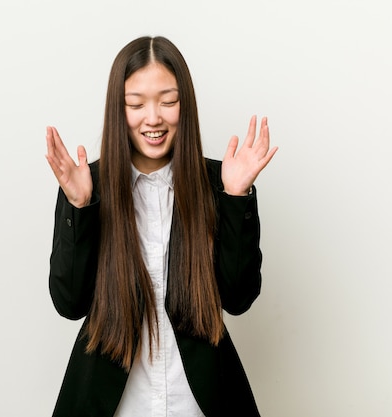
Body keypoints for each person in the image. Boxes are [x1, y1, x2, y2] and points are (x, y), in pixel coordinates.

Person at [45, 36, 277, 417]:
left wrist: (236, 197)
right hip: (116, 405)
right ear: (118, 110)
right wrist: (79, 206)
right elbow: (70, 304)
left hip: (197, 403)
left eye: (168, 101)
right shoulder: (89, 185)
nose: (153, 118)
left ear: (184, 106)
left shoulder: (218, 181)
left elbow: (239, 298)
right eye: (136, 104)